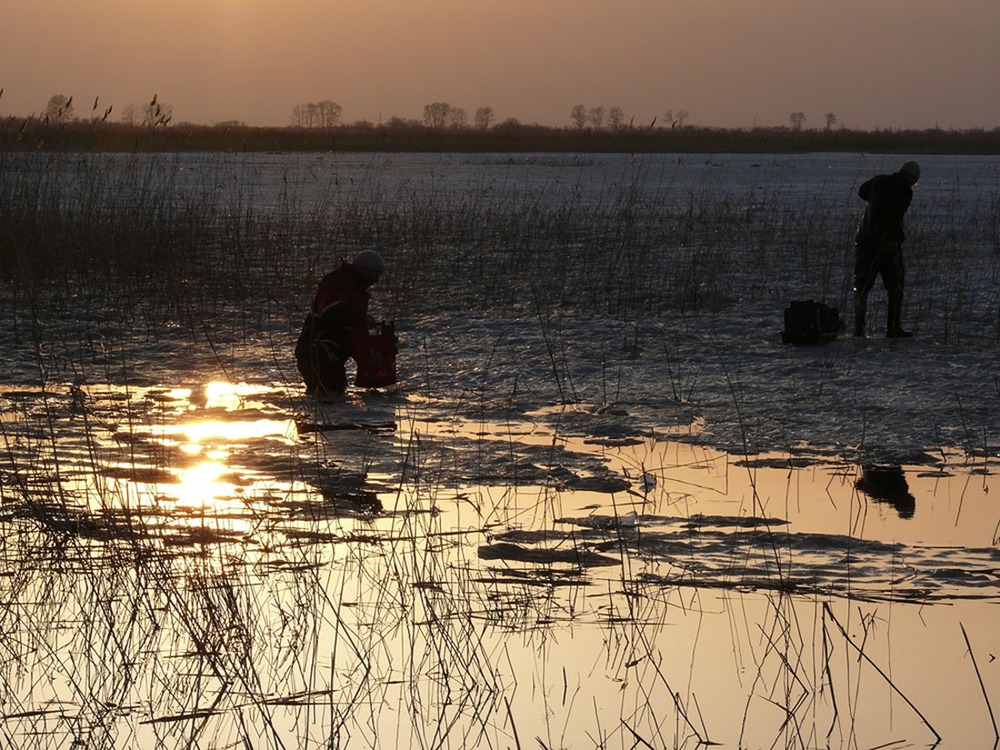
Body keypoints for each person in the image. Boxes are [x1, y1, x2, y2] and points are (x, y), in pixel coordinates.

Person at [295, 249, 385, 397]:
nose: (376, 281)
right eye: (374, 277)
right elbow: (331, 313)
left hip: (330, 356)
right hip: (315, 352)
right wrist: (362, 318)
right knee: (327, 395)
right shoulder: (338, 285)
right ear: (366, 273)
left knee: (333, 394)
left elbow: (348, 329)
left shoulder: (355, 288)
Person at [853, 160, 920, 338]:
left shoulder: (879, 181)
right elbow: (894, 216)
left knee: (862, 286)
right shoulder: (905, 191)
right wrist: (892, 240)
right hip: (886, 244)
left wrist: (876, 200)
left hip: (865, 240)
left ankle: (858, 329)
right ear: (912, 179)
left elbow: (862, 191)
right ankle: (893, 328)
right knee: (895, 286)